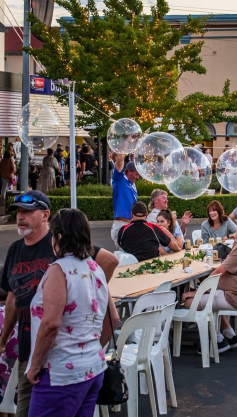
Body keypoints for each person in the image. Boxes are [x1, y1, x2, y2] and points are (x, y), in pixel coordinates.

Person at [0, 191, 119, 417]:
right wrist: (89, 348)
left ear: (59, 236)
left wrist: (36, 365)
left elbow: (51, 324)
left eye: (27, 211)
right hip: (91, 368)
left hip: (58, 371)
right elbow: (113, 318)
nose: (20, 216)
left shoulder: (60, 268)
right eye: (18, 212)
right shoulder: (93, 269)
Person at [181, 211, 237, 353]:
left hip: (235, 298)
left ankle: (216, 340)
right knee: (211, 295)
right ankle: (229, 335)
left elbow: (219, 272)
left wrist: (197, 292)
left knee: (188, 302)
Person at [111, 156, 140, 249]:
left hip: (131, 224)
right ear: (128, 171)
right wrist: (122, 152)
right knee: (125, 256)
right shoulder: (119, 179)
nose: (138, 177)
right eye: (136, 174)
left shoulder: (133, 184)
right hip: (121, 224)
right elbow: (119, 162)